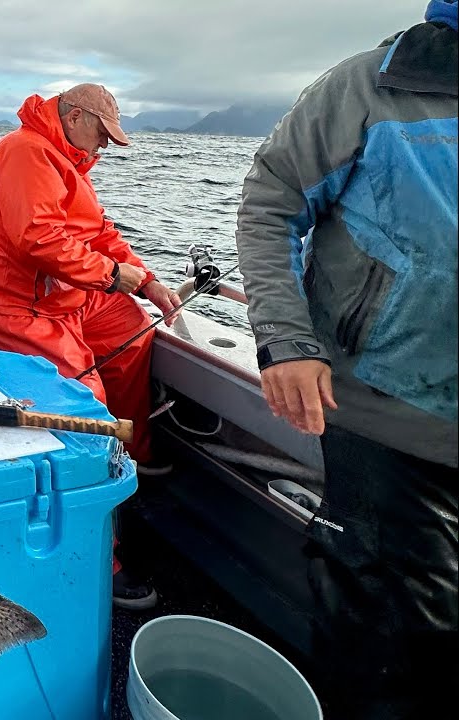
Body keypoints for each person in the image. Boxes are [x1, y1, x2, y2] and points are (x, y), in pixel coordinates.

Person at [234, 2, 457, 717]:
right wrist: (287, 341)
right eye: (100, 135)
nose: (103, 148)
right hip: (386, 412)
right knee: (385, 630)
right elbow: (269, 201)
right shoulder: (367, 86)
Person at [0, 83, 181, 610]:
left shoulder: (71, 161)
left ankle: (131, 455)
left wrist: (145, 282)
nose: (102, 147)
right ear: (74, 116)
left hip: (66, 297)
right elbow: (38, 239)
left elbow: (99, 232)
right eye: (100, 134)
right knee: (82, 390)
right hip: (6, 303)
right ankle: (102, 547)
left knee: (129, 331)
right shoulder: (27, 151)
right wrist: (111, 273)